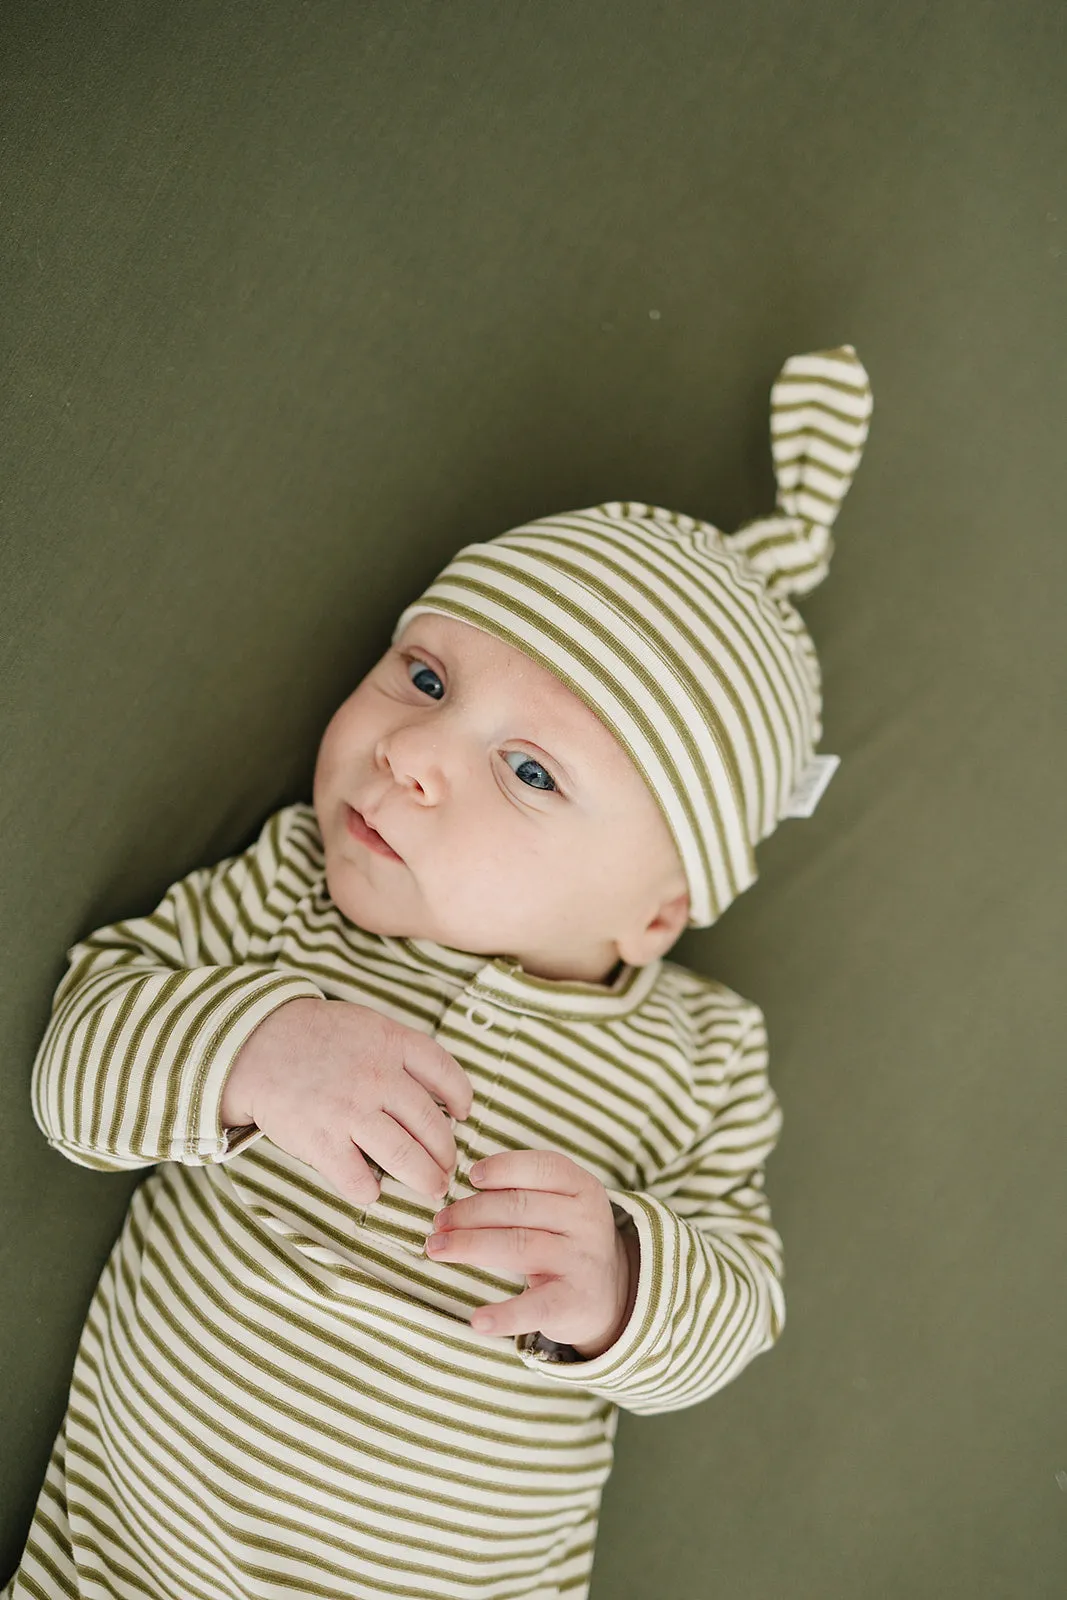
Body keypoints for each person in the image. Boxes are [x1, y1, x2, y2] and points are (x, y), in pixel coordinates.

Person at [3, 345, 873, 1600]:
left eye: (528, 771)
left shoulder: (699, 1060)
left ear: (657, 909)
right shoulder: (292, 896)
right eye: (423, 676)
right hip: (132, 1561)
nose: (411, 750)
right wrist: (253, 1049)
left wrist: (624, 1284)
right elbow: (75, 1067)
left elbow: (736, 1306)